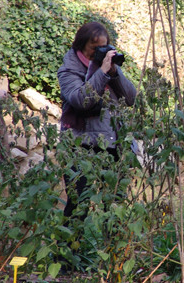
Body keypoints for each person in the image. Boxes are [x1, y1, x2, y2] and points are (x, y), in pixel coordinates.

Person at [57, 22, 137, 219]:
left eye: (104, 46)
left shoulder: (108, 66)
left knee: (115, 207)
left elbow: (131, 98)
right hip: (79, 146)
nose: (100, 51)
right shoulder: (68, 69)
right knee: (78, 206)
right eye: (95, 48)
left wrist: (114, 73)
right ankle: (70, 250)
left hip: (112, 143)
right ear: (81, 46)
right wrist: (100, 72)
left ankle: (114, 250)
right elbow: (80, 100)